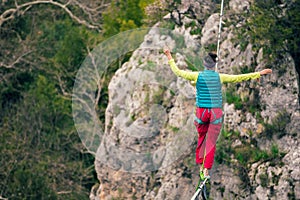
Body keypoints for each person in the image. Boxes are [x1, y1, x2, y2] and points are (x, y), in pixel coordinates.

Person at [164, 49, 272, 180]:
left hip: (202, 113)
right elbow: (238, 78)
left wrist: (169, 55)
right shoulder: (220, 77)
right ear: (214, 65)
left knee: (202, 138)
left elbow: (178, 72)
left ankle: (200, 167)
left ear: (204, 64)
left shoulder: (197, 76)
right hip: (215, 113)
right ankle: (206, 170)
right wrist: (258, 73)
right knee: (210, 143)